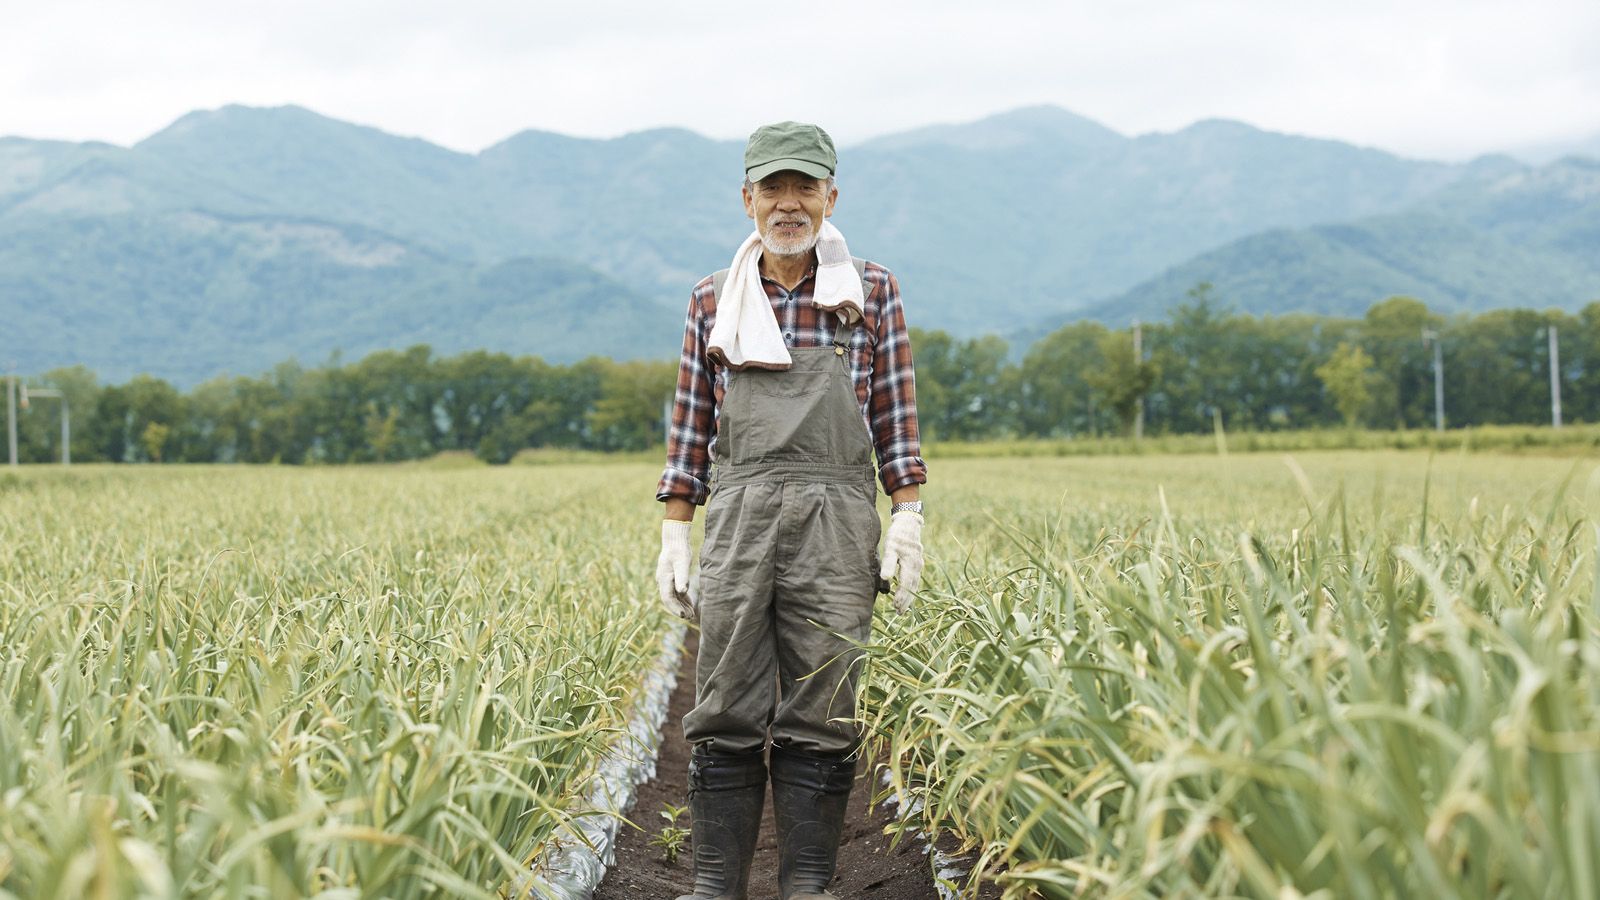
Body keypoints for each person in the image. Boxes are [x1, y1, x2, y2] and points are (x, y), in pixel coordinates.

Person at [654, 121, 927, 900]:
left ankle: (807, 882)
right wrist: (676, 531)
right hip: (739, 515)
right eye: (772, 188)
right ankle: (716, 882)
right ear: (747, 199)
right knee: (727, 696)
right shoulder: (713, 298)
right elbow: (690, 428)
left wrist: (906, 516)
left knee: (825, 699)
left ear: (831, 197)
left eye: (805, 187)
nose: (788, 204)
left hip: (837, 515)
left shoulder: (870, 291)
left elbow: (896, 419)